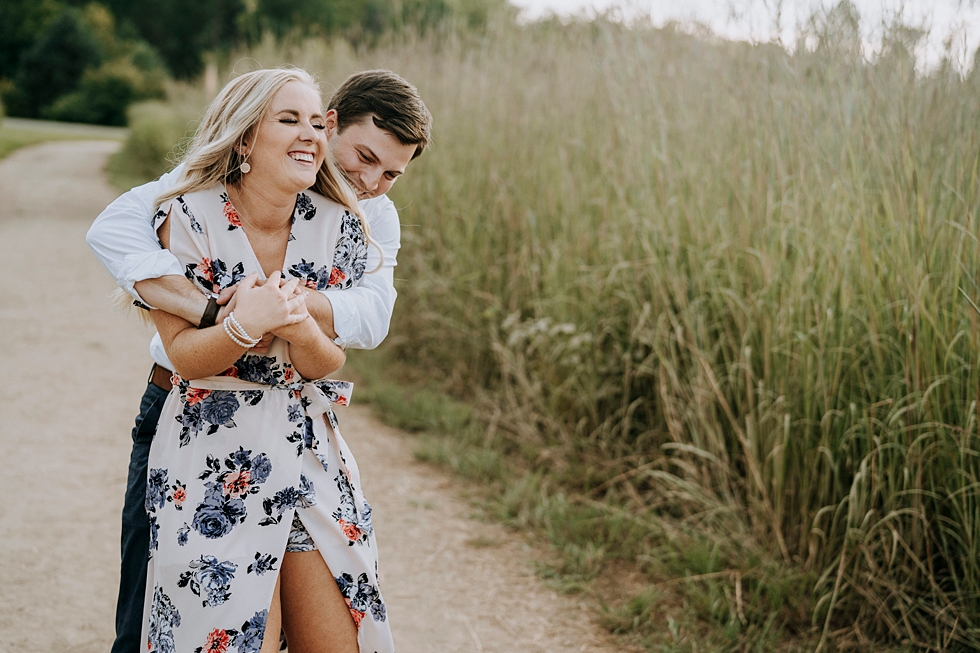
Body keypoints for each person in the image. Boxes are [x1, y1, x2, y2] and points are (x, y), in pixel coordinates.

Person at [86, 68, 431, 653]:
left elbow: (370, 320)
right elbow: (115, 229)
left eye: (391, 173)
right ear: (332, 126)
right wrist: (222, 314)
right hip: (193, 418)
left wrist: (292, 304)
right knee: (154, 624)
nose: (371, 181)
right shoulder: (198, 201)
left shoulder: (363, 219)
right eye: (365, 156)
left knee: (338, 612)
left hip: (299, 431)